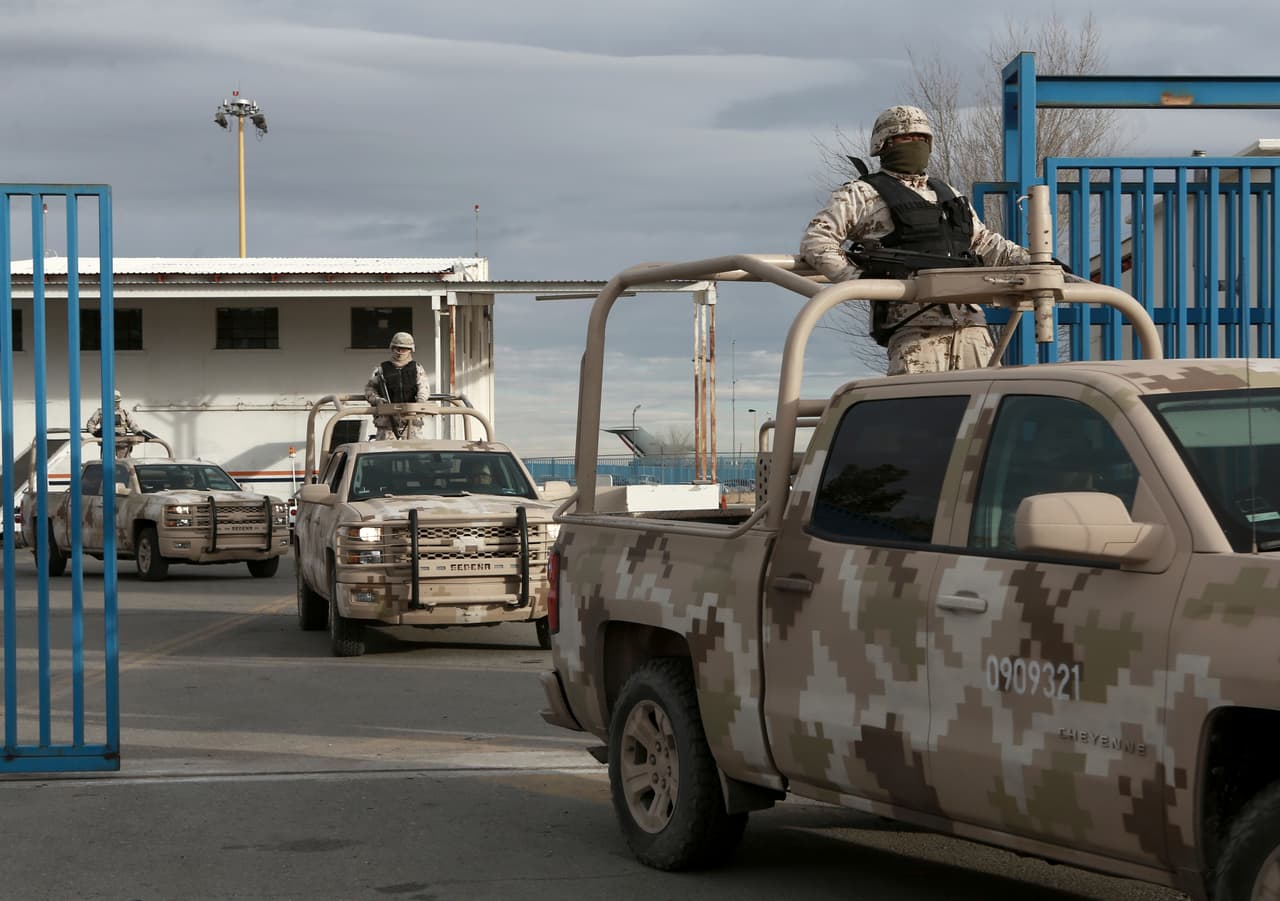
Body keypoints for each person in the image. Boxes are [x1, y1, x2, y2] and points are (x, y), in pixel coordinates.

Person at [800, 105, 1033, 375]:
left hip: (972, 327)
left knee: (983, 411)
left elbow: (984, 242)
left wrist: (1037, 260)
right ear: (884, 144)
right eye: (907, 138)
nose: (916, 144)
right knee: (920, 413)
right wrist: (861, 282)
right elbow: (817, 242)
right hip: (915, 329)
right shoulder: (860, 194)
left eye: (923, 139)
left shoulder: (947, 194)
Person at [363, 332, 431, 439]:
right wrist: (377, 400)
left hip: (411, 424)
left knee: (416, 454)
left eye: (404, 349)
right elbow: (370, 389)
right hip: (387, 425)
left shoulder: (417, 369)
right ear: (392, 348)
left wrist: (420, 401)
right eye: (397, 349)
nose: (400, 352)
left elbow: (424, 388)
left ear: (410, 350)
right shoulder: (381, 369)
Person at [85, 390, 142, 458]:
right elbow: (90, 424)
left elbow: (133, 425)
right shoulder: (101, 412)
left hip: (122, 442)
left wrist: (139, 432)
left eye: (117, 402)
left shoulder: (124, 412)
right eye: (114, 402)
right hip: (107, 442)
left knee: (124, 463)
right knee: (106, 462)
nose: (116, 404)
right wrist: (96, 433)